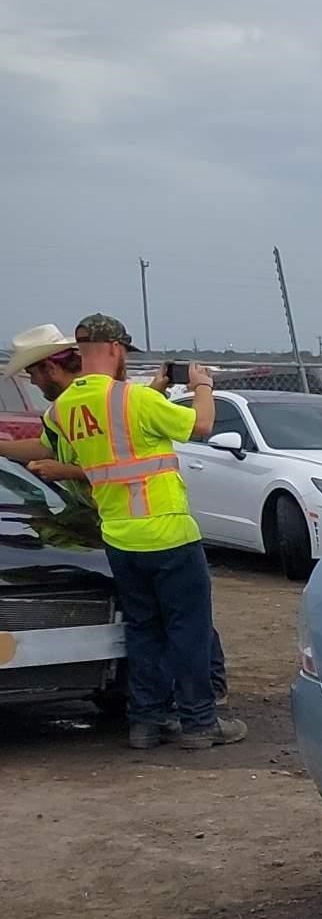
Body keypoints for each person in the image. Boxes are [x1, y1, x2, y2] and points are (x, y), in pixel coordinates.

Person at [34, 314, 244, 750]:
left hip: (118, 537)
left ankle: (147, 722)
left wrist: (155, 392)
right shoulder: (132, 398)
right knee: (189, 630)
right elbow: (202, 426)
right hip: (168, 532)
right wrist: (203, 385)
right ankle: (200, 723)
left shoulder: (60, 411)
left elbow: (98, 447)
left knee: (144, 629)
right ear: (115, 349)